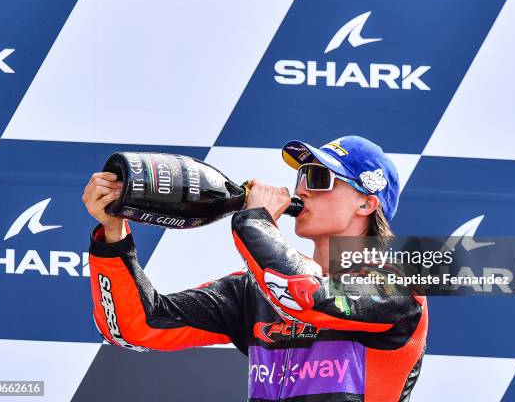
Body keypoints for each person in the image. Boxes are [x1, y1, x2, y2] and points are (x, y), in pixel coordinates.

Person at [83, 135, 428, 401]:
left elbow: (305, 296)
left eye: (319, 177)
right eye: (301, 176)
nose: (302, 189)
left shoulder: (398, 285)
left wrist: (255, 220)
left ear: (366, 203)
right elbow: (136, 326)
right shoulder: (253, 290)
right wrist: (112, 236)